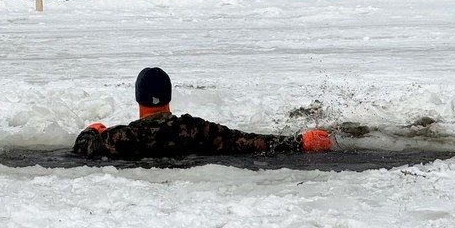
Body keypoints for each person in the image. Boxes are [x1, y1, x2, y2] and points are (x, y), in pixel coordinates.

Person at [72, 67, 333, 160]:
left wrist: (93, 128)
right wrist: (300, 142)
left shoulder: (120, 137)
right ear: (169, 96)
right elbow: (247, 142)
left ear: (138, 98)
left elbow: (83, 146)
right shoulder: (196, 130)